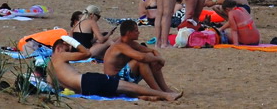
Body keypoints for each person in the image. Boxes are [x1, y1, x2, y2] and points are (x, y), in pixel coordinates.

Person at [46, 37, 179, 101]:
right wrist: (72, 41)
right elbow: (87, 54)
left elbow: (53, 86)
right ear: (58, 48)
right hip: (87, 81)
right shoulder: (59, 56)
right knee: (127, 86)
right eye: (66, 49)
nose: (69, 52)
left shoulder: (49, 68)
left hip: (85, 90)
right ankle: (166, 95)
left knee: (118, 90)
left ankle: (145, 97)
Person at [102, 20, 177, 95]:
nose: (139, 32)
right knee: (141, 62)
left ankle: (165, 89)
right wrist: (159, 59)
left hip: (123, 78)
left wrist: (157, 58)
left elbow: (151, 51)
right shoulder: (119, 45)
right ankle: (158, 92)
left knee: (150, 57)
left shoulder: (131, 43)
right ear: (129, 33)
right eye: (136, 31)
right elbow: (141, 57)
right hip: (113, 81)